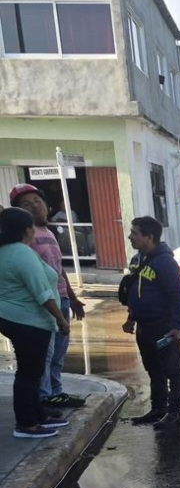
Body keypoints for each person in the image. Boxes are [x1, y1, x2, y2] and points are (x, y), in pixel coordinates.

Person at [9, 184, 87, 409]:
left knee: (58, 354)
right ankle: (44, 398)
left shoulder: (49, 233)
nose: (35, 206)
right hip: (44, 303)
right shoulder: (24, 238)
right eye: (27, 204)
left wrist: (72, 298)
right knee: (44, 354)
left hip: (61, 298)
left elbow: (58, 269)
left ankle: (56, 392)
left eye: (37, 201)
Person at [0, 207, 72, 438]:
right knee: (29, 374)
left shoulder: (6, 251)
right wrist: (61, 319)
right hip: (27, 320)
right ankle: (26, 424)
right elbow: (42, 293)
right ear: (26, 229)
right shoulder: (21, 253)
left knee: (32, 371)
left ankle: (39, 415)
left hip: (15, 318)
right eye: (32, 226)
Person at [124, 216, 180, 429]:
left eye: (134, 233)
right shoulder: (137, 260)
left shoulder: (165, 262)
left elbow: (177, 295)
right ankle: (158, 408)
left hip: (164, 327)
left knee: (172, 369)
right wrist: (131, 318)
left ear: (149, 237)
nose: (130, 237)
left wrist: (178, 326)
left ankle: (175, 411)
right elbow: (135, 292)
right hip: (144, 327)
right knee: (153, 370)